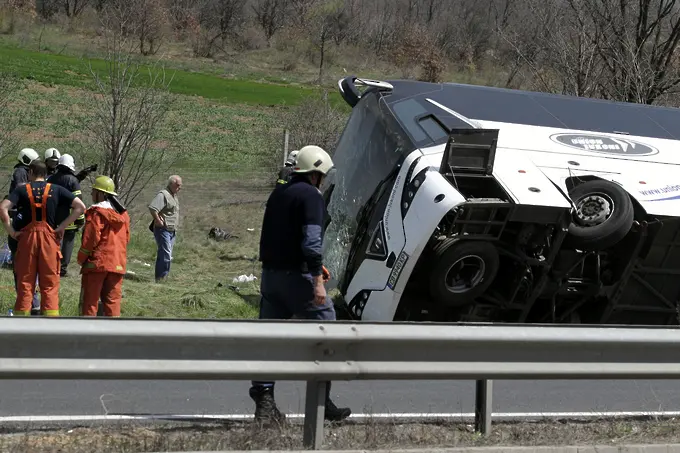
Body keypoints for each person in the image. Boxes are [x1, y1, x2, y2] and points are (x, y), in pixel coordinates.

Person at [251, 144, 351, 424]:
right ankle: (321, 399)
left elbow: (281, 238)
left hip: (271, 278)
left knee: (267, 341)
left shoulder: (278, 194)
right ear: (316, 172)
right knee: (328, 330)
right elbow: (310, 242)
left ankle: (265, 401)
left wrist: (315, 266)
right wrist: (317, 280)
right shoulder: (311, 196)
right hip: (298, 279)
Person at [0, 160, 86, 316]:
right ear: (45, 174)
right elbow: (80, 207)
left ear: (31, 172)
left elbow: (2, 208)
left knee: (25, 283)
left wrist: (12, 231)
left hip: (27, 241)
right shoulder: (57, 189)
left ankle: (22, 327)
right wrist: (62, 227)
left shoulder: (21, 190)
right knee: (50, 285)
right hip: (49, 241)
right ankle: (50, 329)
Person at [77, 176, 130, 317]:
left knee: (90, 302)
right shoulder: (123, 215)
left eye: (93, 191)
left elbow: (90, 239)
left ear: (100, 194)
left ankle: (88, 334)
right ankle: (114, 335)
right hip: (117, 264)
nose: (91, 194)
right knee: (113, 302)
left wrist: (81, 258)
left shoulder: (96, 213)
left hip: (97, 264)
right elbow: (126, 239)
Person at [5, 147, 41, 315]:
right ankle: (32, 303)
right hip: (27, 224)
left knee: (21, 268)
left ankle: (28, 302)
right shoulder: (21, 172)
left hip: (21, 226)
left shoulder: (21, 172)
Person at [48, 154, 85, 277]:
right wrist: (80, 220)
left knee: (53, 243)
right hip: (69, 220)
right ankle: (62, 269)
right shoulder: (73, 180)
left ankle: (52, 266)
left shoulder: (51, 179)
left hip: (52, 219)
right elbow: (78, 202)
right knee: (67, 244)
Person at [148, 175, 181, 283]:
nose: (179, 188)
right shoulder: (163, 194)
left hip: (172, 230)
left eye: (180, 186)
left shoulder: (174, 195)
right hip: (163, 230)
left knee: (166, 254)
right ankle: (161, 278)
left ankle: (162, 277)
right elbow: (153, 208)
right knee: (166, 254)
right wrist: (158, 220)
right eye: (177, 185)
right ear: (171, 183)